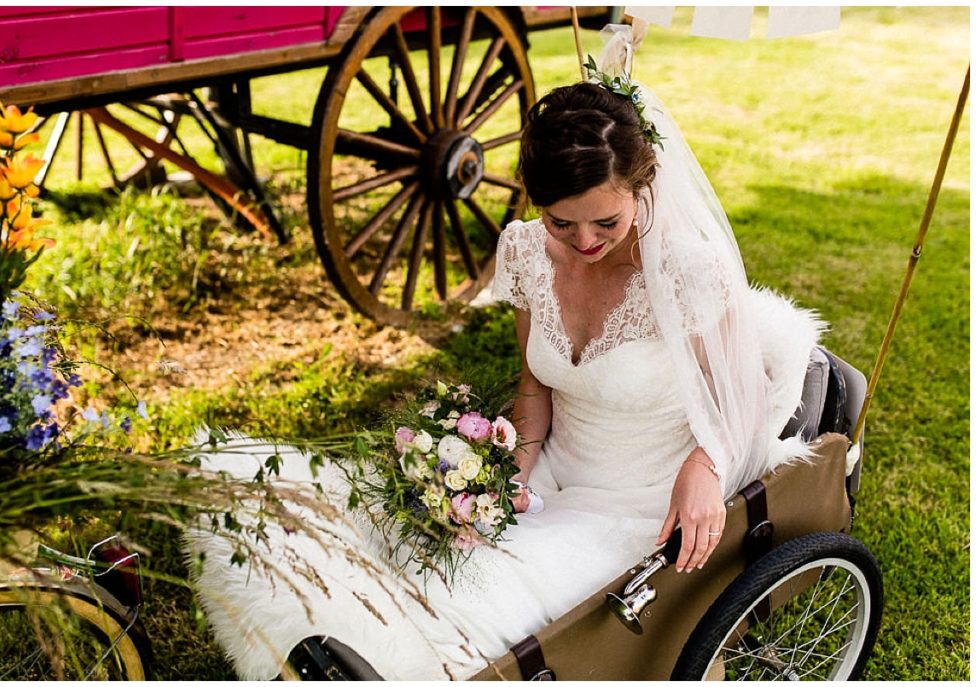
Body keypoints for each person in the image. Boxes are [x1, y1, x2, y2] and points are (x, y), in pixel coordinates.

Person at [185, 74, 823, 681]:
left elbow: (742, 399)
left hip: (642, 502)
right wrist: (512, 469)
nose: (584, 241)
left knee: (476, 596)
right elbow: (534, 385)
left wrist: (704, 468)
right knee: (421, 543)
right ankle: (343, 638)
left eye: (607, 222)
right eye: (560, 222)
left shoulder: (686, 271)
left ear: (641, 188)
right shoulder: (523, 252)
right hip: (553, 471)